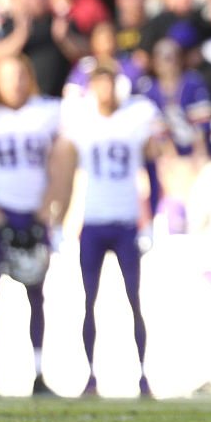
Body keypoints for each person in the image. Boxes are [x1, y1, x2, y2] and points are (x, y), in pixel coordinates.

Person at [55, 64, 165, 397]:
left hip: (126, 221)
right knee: (88, 301)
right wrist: (60, 220)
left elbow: (153, 167)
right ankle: (90, 376)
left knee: (135, 300)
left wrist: (152, 218)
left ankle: (144, 376)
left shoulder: (136, 118)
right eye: (98, 85)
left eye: (109, 84)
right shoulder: (81, 122)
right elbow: (65, 173)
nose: (104, 91)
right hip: (93, 220)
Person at [0, 54, 62, 396]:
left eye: (21, 75)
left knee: (38, 296)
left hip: (33, 216)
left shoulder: (46, 114)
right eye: (7, 76)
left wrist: (42, 215)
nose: (15, 83)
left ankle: (38, 373)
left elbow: (59, 166)